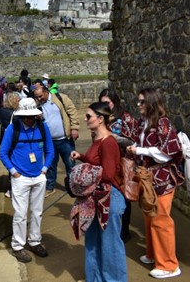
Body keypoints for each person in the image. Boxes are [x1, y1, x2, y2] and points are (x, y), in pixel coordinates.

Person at [126, 88, 183, 279]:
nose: (138, 105)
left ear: (151, 102)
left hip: (163, 180)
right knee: (149, 216)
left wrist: (141, 151)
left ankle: (169, 265)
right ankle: (154, 255)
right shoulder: (143, 123)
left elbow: (168, 152)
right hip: (147, 179)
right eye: (138, 102)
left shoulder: (163, 123)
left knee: (161, 220)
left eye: (142, 102)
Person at [70, 102, 127, 282]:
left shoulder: (109, 142)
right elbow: (97, 163)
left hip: (109, 199)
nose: (85, 120)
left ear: (100, 119)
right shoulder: (98, 140)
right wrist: (82, 157)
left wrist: (83, 175)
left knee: (110, 245)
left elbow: (109, 174)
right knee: (93, 241)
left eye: (88, 116)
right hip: (96, 198)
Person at [0, 98, 54, 263]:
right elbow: (3, 152)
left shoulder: (43, 128)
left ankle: (35, 241)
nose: (28, 120)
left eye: (31, 116)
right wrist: (15, 173)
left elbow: (50, 151)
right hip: (20, 178)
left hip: (38, 176)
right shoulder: (12, 129)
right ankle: (18, 246)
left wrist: (44, 170)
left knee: (37, 212)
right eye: (25, 117)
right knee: (20, 214)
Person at [98, 88, 138, 243]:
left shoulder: (125, 118)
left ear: (114, 102)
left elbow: (131, 140)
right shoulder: (103, 117)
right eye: (102, 103)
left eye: (107, 103)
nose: (105, 106)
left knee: (124, 196)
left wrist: (111, 138)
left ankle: (124, 231)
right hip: (108, 162)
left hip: (122, 163)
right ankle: (112, 228)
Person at [33, 85, 79, 197]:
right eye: (37, 97)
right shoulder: (37, 105)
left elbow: (72, 112)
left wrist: (74, 128)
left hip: (65, 139)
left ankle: (74, 187)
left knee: (70, 164)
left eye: (40, 96)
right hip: (49, 142)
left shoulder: (60, 98)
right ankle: (50, 187)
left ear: (46, 91)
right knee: (50, 165)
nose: (39, 99)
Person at [0, 92, 20, 198]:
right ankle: (13, 188)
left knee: (10, 164)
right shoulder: (16, 114)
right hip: (14, 141)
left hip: (4, 141)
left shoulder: (1, 111)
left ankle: (11, 188)